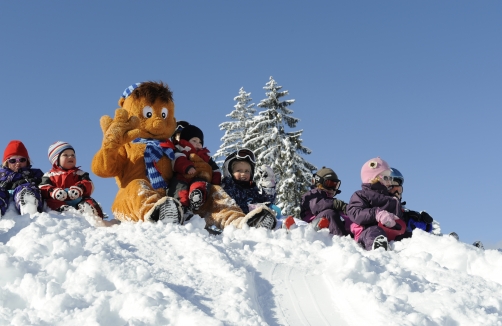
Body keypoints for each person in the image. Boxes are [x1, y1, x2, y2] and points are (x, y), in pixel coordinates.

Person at [346, 157, 409, 251]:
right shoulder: (361, 195)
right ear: (373, 179)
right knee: (375, 232)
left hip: (393, 232)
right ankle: (378, 252)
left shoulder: (391, 199)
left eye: (390, 177)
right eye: (386, 177)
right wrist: (376, 214)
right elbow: (355, 212)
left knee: (410, 236)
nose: (389, 181)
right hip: (367, 231)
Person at [39, 141, 105, 219]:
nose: (70, 157)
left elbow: (89, 184)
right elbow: (43, 188)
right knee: (51, 202)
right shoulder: (50, 175)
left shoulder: (80, 173)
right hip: (58, 200)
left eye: (73, 155)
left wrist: (80, 188)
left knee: (89, 201)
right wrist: (53, 191)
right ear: (56, 160)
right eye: (65, 155)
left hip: (78, 199)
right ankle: (64, 211)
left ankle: (95, 216)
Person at [168, 125, 221, 219]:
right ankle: (181, 206)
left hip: (198, 177)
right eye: (194, 141)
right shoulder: (181, 149)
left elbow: (215, 169)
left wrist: (216, 180)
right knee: (180, 188)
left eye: (200, 142)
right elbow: (177, 159)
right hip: (182, 176)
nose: (198, 144)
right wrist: (187, 167)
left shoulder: (205, 155)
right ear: (186, 140)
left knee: (200, 184)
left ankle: (196, 197)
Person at [221, 148, 277, 229]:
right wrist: (254, 207)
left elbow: (268, 203)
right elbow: (234, 207)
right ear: (229, 172)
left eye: (247, 171)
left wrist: (268, 186)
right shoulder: (227, 189)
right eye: (239, 170)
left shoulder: (251, 190)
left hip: (253, 225)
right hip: (235, 226)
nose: (243, 174)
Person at [298, 167, 350, 235]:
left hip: (329, 225)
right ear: (319, 183)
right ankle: (342, 239)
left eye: (335, 185)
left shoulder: (330, 201)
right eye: (329, 184)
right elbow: (316, 205)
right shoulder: (312, 195)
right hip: (312, 225)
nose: (332, 189)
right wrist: (336, 204)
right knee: (329, 213)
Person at [0, 140, 44, 216]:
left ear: (27, 161)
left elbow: (44, 184)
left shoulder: (34, 173)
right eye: (13, 160)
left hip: (22, 192)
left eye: (22, 160)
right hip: (3, 194)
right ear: (6, 163)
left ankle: (29, 204)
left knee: (27, 188)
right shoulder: (1, 174)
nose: (18, 163)